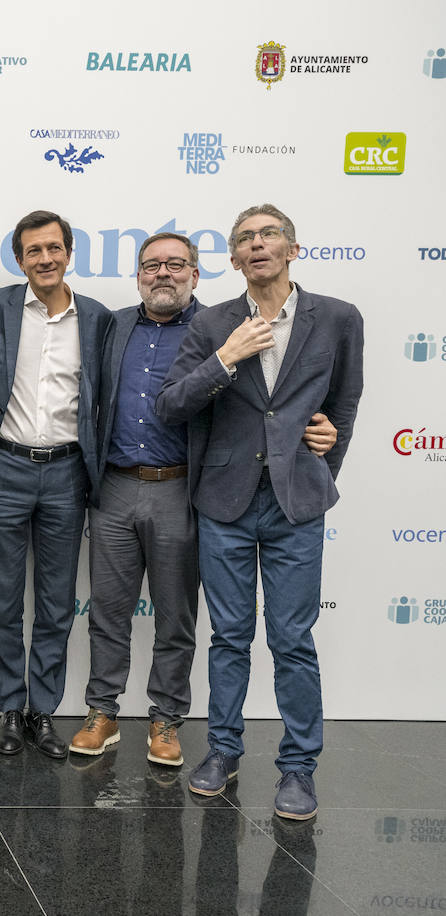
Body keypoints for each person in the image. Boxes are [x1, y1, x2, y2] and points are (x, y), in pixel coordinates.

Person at [156, 204, 364, 820]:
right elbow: (172, 404)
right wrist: (226, 357)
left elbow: (344, 405)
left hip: (296, 503)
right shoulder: (213, 323)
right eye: (245, 238)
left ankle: (298, 767)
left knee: (293, 639)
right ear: (233, 258)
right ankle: (223, 751)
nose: (257, 244)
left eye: (269, 234)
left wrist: (321, 467)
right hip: (225, 501)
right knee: (230, 636)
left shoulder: (338, 318)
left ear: (292, 249)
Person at [0, 210, 113, 761]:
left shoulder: (97, 318)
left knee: (56, 602)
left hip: (67, 471)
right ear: (19, 259)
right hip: (4, 468)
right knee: (3, 598)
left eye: (54, 248)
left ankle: (43, 710)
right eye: (34, 251)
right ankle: (10, 707)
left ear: (69, 253)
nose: (45, 258)